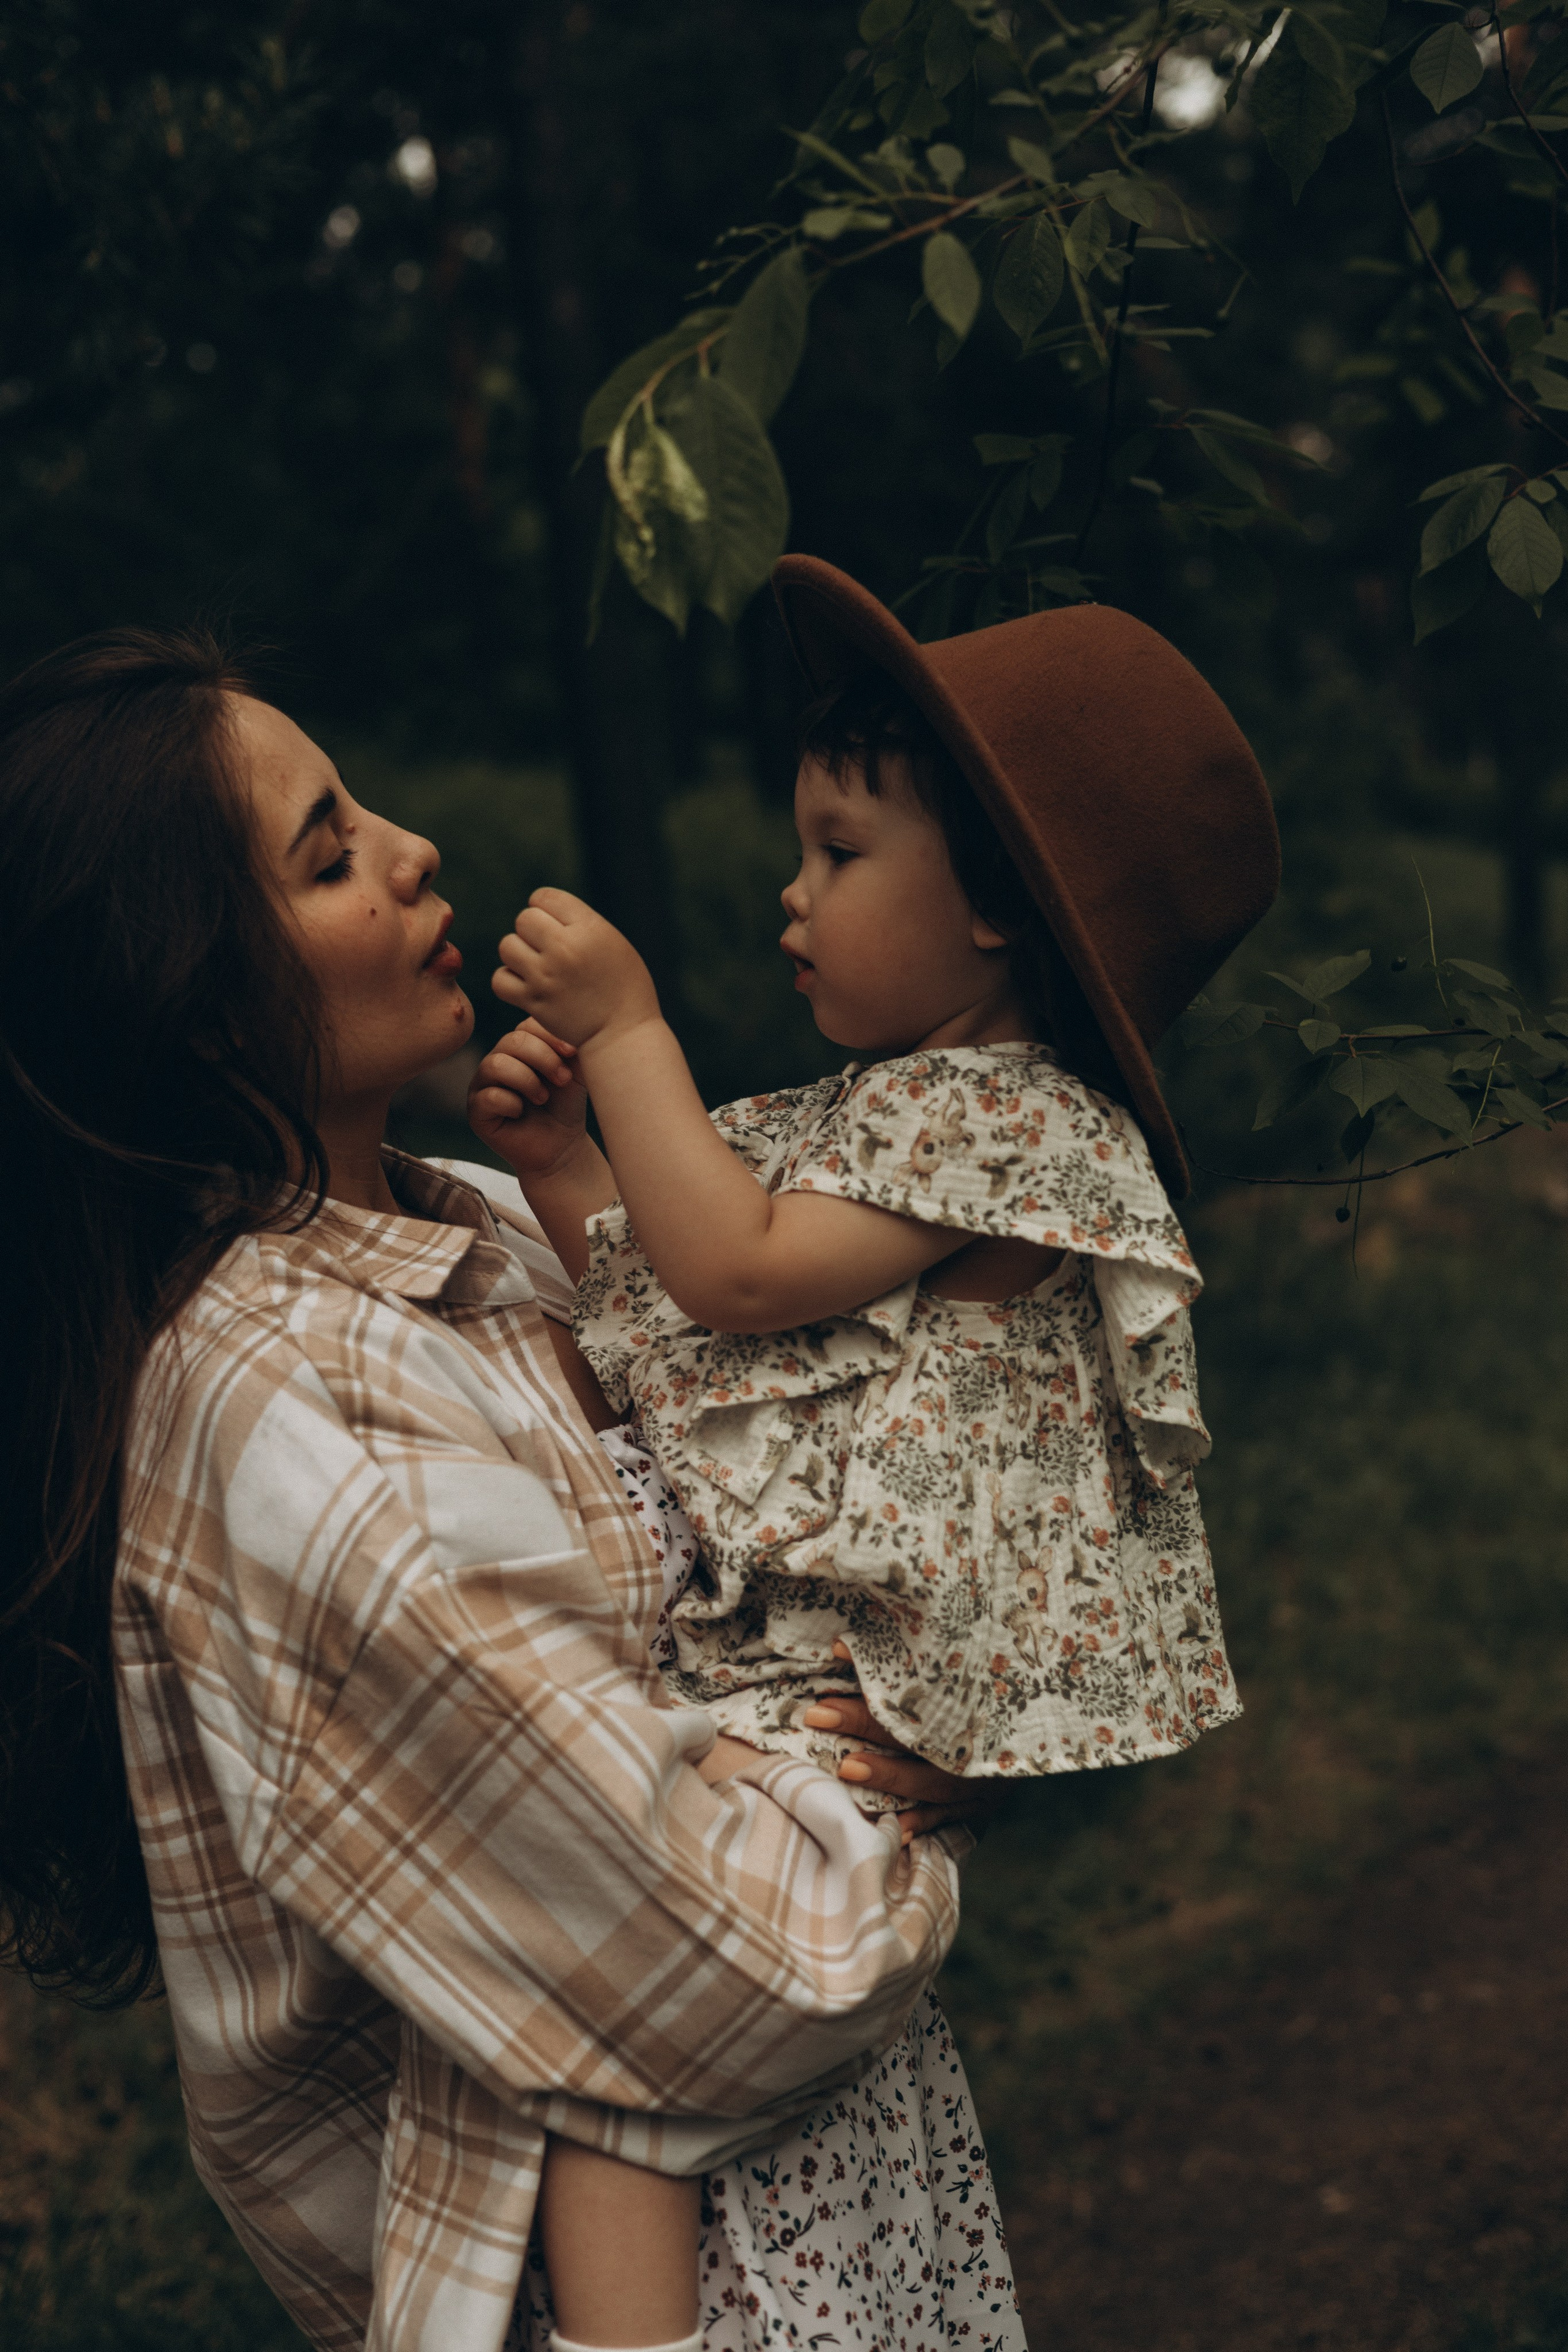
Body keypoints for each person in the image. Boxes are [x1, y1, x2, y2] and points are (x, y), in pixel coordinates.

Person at [0, 627, 1017, 2352]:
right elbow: (749, 1951)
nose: (413, 850)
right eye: (330, 855)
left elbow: (790, 1531)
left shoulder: (469, 1221)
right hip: (678, 2298)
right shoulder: (274, 1418)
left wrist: (928, 1709)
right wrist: (896, 1802)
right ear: (186, 994)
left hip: (854, 2197)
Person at [468, 554, 1281, 2348]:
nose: (794, 894)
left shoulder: (1010, 1119)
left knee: (606, 2036)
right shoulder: (905, 1113)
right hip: (806, 1696)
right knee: (637, 2053)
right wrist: (573, 1174)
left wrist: (631, 1036)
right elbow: (713, 1342)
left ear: (999, 909)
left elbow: (742, 1274)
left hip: (834, 1710)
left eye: (841, 853)